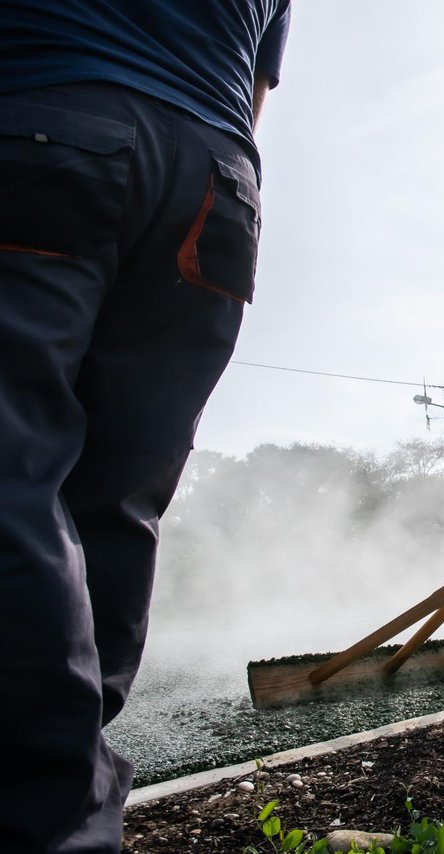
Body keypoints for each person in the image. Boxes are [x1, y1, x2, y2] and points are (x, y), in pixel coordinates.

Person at [0, 3, 290, 849]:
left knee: (14, 477)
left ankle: (43, 816)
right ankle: (75, 803)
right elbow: (254, 95)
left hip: (47, 124)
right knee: (119, 499)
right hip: (220, 182)